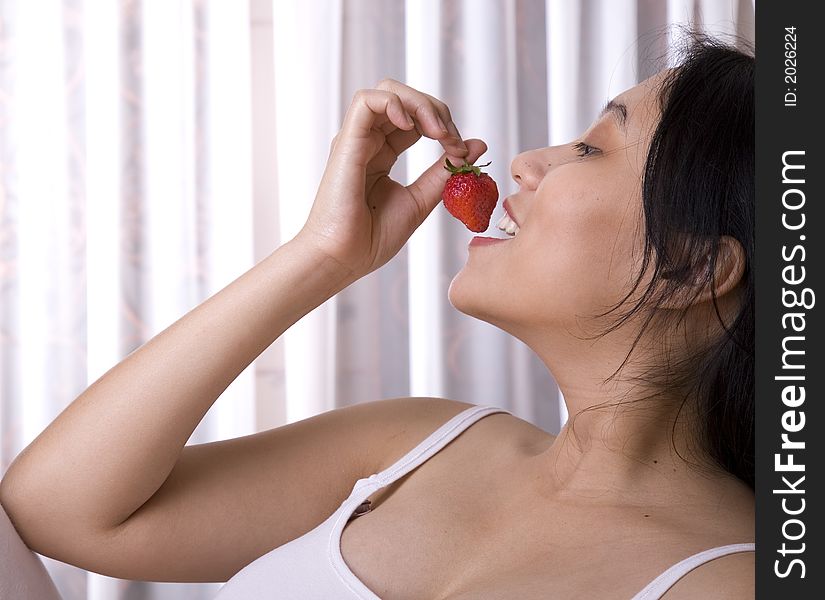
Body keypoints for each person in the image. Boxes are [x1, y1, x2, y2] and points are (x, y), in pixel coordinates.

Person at [0, 34, 754, 599]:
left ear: (692, 268)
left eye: (591, 149)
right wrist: (321, 256)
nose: (527, 161)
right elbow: (56, 513)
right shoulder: (414, 446)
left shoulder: (725, 583)